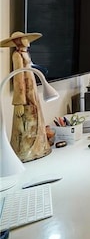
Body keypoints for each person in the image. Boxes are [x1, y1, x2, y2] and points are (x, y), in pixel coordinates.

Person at [0, 31, 51, 162]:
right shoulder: (16, 55)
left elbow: (31, 66)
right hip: (26, 92)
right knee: (27, 122)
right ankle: (26, 151)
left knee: (36, 117)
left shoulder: (25, 54)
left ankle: (39, 147)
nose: (27, 41)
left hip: (32, 87)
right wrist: (19, 102)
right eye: (24, 39)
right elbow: (18, 78)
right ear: (19, 41)